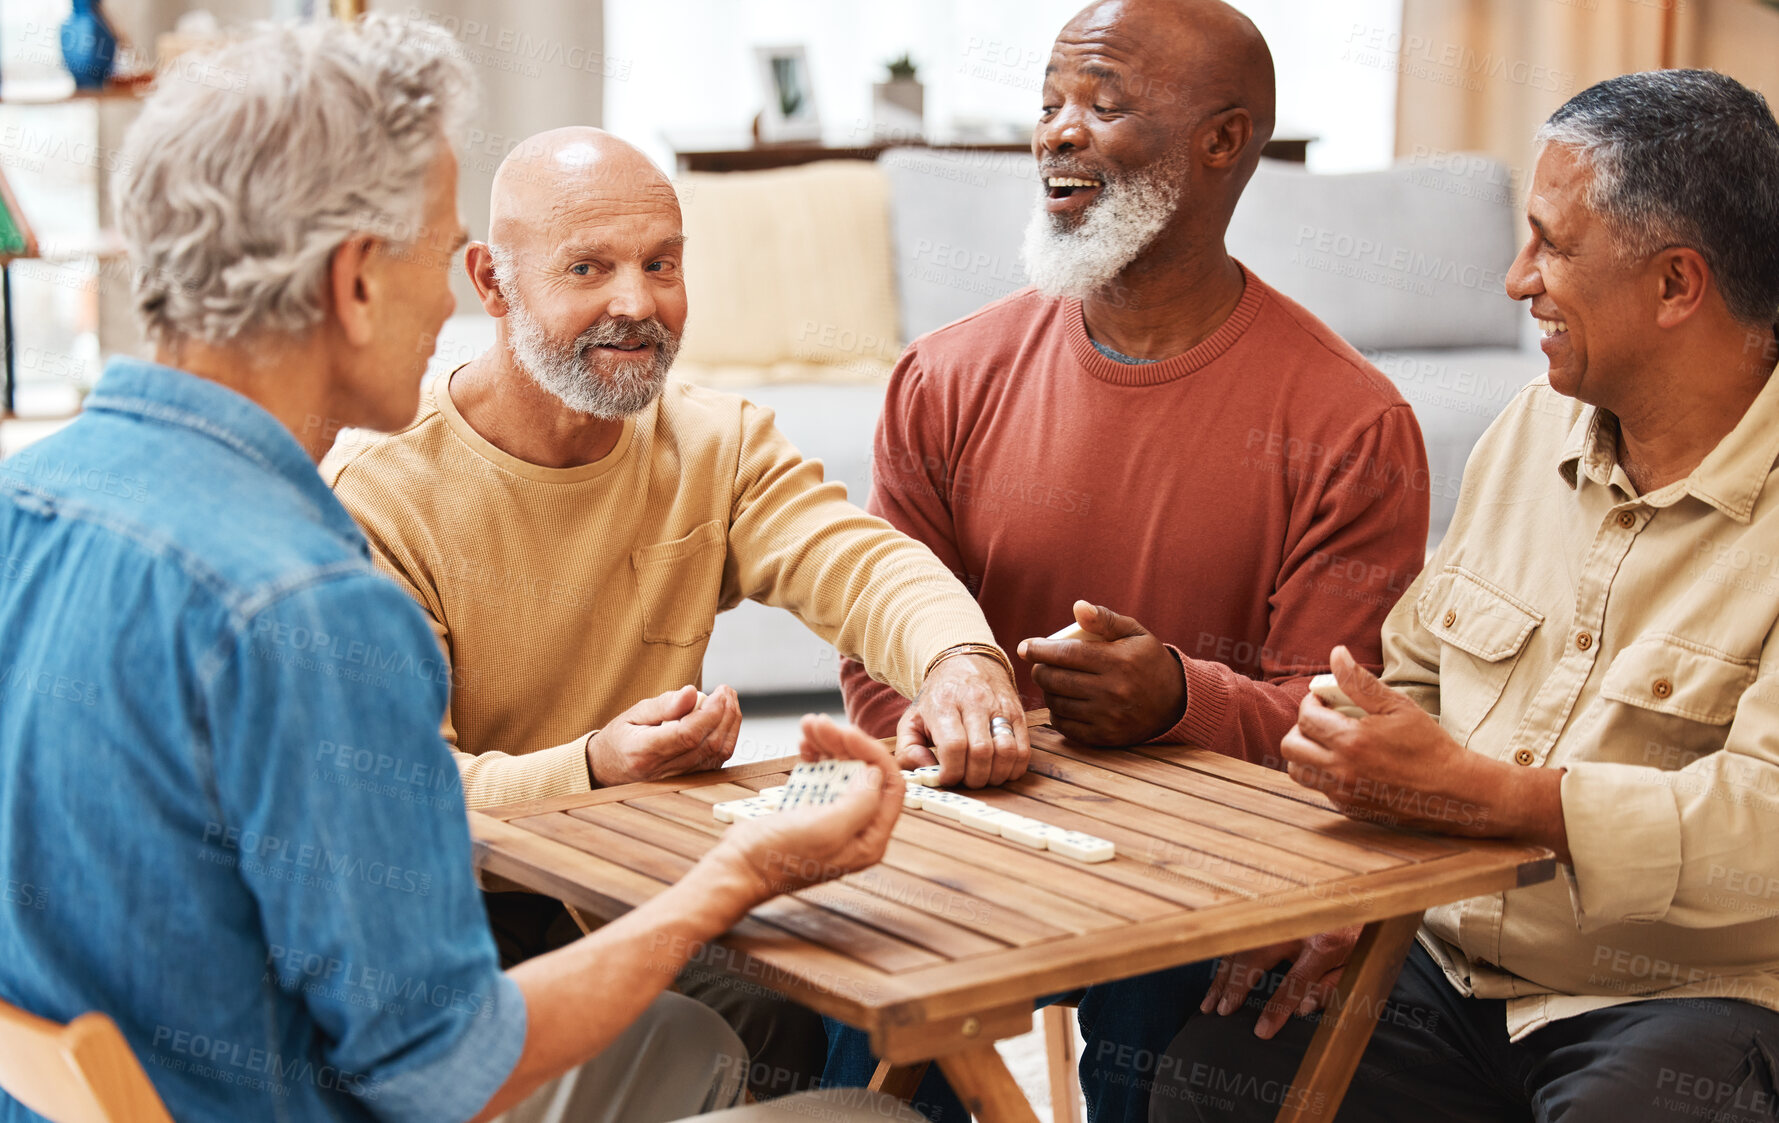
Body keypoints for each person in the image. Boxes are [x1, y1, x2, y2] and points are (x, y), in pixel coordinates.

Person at [0, 18, 923, 1123]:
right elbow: (449, 1068)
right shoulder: (313, 600)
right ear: (353, 283)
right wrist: (742, 872)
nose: (451, 303)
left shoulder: (27, 499)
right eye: (437, 257)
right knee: (876, 1117)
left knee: (710, 1035)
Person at [319, 124, 1030, 1097]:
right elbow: (401, 797)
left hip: (635, 886)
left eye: (662, 263)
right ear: (491, 282)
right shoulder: (380, 492)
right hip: (452, 922)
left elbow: (856, 561)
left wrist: (959, 659)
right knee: (769, 1013)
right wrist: (591, 766)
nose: (638, 303)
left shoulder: (714, 440)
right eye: (588, 267)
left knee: (906, 977)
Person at [828, 1, 1429, 1118]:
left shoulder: (1352, 423)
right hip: (973, 826)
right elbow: (877, 639)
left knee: (1188, 1023)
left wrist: (1176, 699)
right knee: (852, 965)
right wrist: (920, 714)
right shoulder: (943, 376)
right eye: (1050, 103)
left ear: (1223, 141)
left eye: (1103, 105)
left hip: (1197, 873)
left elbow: (1333, 725)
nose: (1056, 132)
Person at [1150, 68, 1779, 1122]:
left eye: (1552, 244)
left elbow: (1764, 827)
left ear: (1678, 286)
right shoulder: (1530, 430)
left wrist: (1483, 796)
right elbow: (1417, 680)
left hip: (1684, 996)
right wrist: (1363, 889)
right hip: (1445, 952)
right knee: (1214, 1078)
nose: (1516, 279)